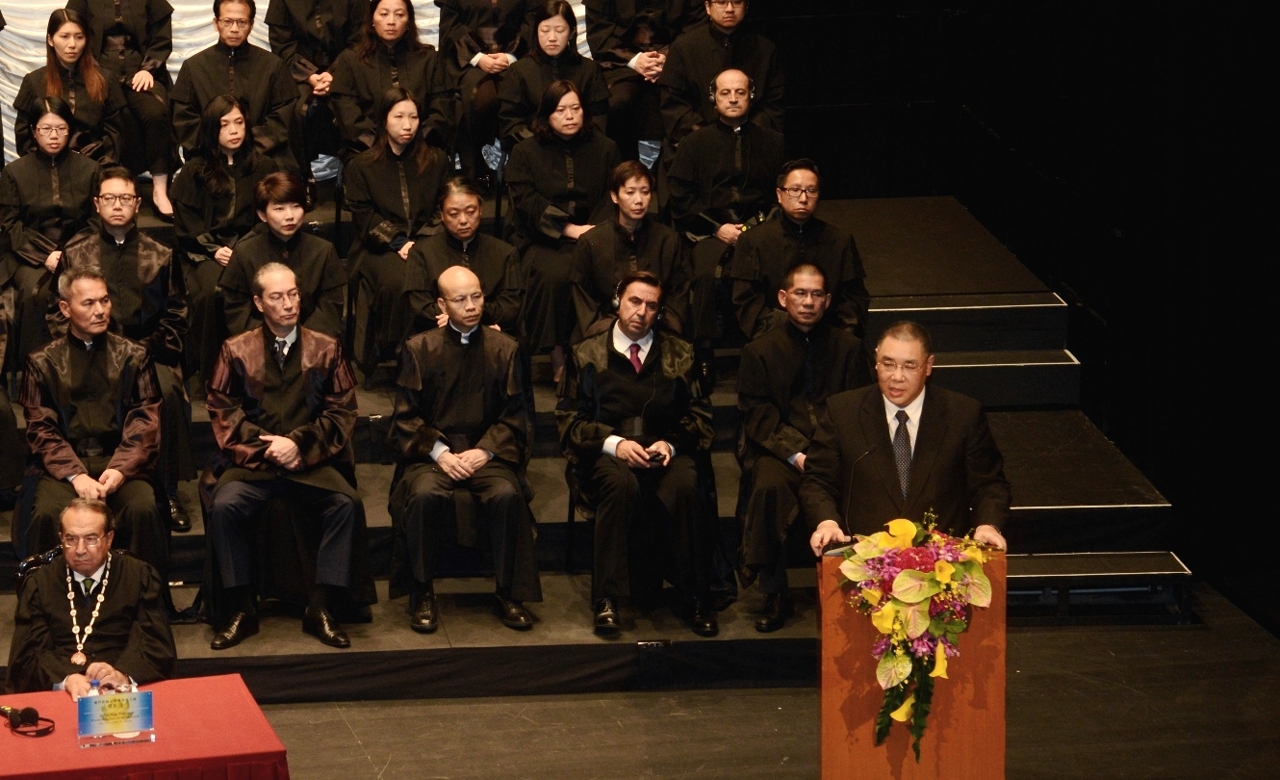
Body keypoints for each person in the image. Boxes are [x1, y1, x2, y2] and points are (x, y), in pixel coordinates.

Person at [204, 263, 364, 650]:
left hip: (309, 460)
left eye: (293, 293)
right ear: (259, 302)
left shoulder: (326, 347)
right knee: (224, 504)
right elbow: (223, 411)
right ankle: (242, 607)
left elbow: (342, 411)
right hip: (253, 462)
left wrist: (300, 445)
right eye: (277, 297)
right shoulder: (235, 349)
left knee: (346, 503)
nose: (289, 303)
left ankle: (321, 606)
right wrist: (268, 448)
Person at [556, 271, 717, 637]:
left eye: (651, 306)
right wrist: (615, 444)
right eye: (634, 301)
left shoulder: (680, 352)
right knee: (618, 484)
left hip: (664, 448)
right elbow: (569, 421)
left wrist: (670, 444)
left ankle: (694, 596)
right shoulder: (586, 353)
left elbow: (701, 417)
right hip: (606, 453)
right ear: (618, 301)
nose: (641, 312)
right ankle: (607, 598)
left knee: (687, 483)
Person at [391, 266, 539, 633]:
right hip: (432, 455)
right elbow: (406, 418)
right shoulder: (419, 348)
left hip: (487, 453)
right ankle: (423, 592)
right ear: (442, 303)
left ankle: (507, 592)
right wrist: (440, 453)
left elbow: (517, 417)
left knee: (507, 495)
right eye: (460, 299)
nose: (472, 306)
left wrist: (485, 451)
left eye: (477, 296)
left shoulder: (506, 348)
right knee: (424, 495)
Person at [53, 167, 194, 532]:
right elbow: (58, 310)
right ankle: (79, 479)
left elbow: (177, 313)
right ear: (97, 204)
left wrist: (141, 353)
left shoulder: (160, 254)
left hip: (147, 351)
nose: (118, 205)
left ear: (138, 203)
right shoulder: (76, 251)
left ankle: (168, 488)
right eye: (110, 198)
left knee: (168, 389)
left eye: (126, 198)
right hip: (87, 350)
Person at [803, 321, 1012, 558]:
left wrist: (988, 524)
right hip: (863, 561)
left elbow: (989, 484)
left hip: (943, 563)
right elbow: (818, 480)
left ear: (928, 366)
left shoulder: (962, 414)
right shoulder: (843, 411)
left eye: (910, 366)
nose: (897, 377)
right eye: (888, 364)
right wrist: (826, 522)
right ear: (876, 361)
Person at [735, 263, 865, 632]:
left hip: (839, 450)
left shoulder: (849, 348)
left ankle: (855, 589)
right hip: (782, 451)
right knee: (769, 486)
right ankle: (775, 592)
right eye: (800, 293)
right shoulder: (759, 350)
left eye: (816, 295)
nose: (808, 302)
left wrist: (828, 455)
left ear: (827, 300)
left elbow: (860, 406)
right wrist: (797, 453)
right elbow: (756, 413)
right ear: (783, 297)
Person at [20, 268, 168, 581]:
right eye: (88, 303)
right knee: (47, 513)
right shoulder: (41, 361)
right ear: (65, 308)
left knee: (142, 508)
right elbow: (40, 428)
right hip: (63, 467)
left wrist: (119, 469)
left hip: (119, 462)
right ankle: (49, 610)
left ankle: (146, 604)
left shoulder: (134, 356)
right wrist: (76, 475)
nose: (100, 310)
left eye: (104, 300)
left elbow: (146, 421)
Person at [506, 80, 621, 382]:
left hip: (596, 233)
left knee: (604, 269)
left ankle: (602, 349)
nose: (570, 116)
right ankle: (558, 353)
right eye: (561, 110)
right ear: (546, 115)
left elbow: (614, 194)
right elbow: (526, 202)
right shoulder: (525, 151)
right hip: (543, 238)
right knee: (556, 275)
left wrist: (594, 231)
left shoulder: (606, 147)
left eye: (576, 109)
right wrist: (569, 229)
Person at [4, 498, 176, 697]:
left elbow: (155, 643)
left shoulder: (138, 576)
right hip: (59, 687)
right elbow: (28, 652)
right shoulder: (39, 583)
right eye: (71, 539)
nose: (80, 549)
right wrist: (66, 678)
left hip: (123, 689)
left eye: (91, 538)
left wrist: (122, 673)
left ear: (109, 539)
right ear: (61, 538)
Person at [667, 67, 785, 348]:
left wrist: (754, 230)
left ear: (751, 96)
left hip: (760, 228)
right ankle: (705, 351)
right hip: (709, 230)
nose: (733, 99)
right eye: (725, 93)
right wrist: (718, 228)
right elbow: (680, 197)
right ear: (714, 98)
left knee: (774, 267)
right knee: (707, 274)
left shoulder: (773, 142)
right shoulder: (693, 143)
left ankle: (766, 345)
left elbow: (779, 195)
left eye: (740, 92)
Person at [171, 95, 280, 387]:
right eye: (224, 124)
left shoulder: (263, 166)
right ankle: (212, 373)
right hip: (203, 252)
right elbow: (185, 223)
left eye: (239, 122)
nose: (234, 130)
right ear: (211, 129)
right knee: (211, 291)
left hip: (252, 248)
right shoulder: (194, 170)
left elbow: (268, 216)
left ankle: (262, 369)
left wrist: (244, 250)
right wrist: (213, 249)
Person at [344, 88, 448, 367]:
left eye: (413, 117)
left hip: (428, 242)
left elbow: (443, 208)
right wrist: (399, 242)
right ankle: (401, 353)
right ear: (383, 120)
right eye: (399, 116)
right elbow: (364, 217)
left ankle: (438, 353)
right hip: (377, 247)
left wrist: (422, 242)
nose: (407, 125)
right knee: (397, 281)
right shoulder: (361, 165)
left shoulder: (436, 160)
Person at [727, 159, 870, 351]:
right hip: (774, 341)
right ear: (779, 194)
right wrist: (785, 333)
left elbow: (853, 300)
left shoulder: (839, 241)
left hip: (829, 341)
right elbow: (746, 302)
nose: (803, 198)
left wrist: (838, 338)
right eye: (794, 190)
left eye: (811, 191)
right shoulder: (754, 241)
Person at [0, 98, 101, 370]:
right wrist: (45, 254)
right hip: (29, 256)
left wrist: (69, 253)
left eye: (61, 128)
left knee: (88, 289)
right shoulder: (14, 172)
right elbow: (10, 226)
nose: (54, 136)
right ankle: (40, 372)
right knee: (40, 292)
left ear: (70, 130)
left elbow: (96, 220)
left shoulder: (90, 169)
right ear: (34, 131)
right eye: (46, 129)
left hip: (80, 251)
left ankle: (89, 367)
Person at [66, 0, 179, 218]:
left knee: (156, 112)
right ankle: (104, 191)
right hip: (98, 74)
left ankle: (160, 190)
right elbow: (73, 31)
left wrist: (149, 69)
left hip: (141, 73)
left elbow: (161, 38)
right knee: (97, 117)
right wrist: (92, 70)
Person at [170, 0, 297, 171]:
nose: (234, 29)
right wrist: (218, 145)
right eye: (227, 21)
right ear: (216, 23)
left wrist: (246, 146)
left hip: (262, 156)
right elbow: (184, 120)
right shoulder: (193, 67)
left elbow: (282, 119)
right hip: (209, 156)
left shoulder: (273, 66)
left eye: (242, 22)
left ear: (251, 25)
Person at [571, 160, 690, 338]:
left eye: (645, 192)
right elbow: (584, 300)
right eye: (630, 192)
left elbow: (678, 293)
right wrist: (615, 328)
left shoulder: (668, 239)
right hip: (605, 330)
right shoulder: (591, 241)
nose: (639, 200)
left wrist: (657, 322)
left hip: (657, 327)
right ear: (614, 196)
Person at [219, 172, 346, 339]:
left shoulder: (323, 250)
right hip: (260, 344)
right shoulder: (245, 252)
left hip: (312, 344)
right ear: (262, 215)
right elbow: (237, 310)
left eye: (296, 206)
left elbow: (330, 309)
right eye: (279, 208)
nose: (290, 216)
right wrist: (272, 341)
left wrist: (300, 341)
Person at [329, 0, 456, 162]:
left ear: (409, 21)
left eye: (399, 14)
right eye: (383, 14)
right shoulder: (350, 60)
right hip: (368, 152)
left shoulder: (430, 59)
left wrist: (413, 142)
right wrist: (384, 146)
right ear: (372, 20)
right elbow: (347, 116)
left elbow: (443, 111)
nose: (391, 21)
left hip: (421, 150)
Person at [585, 0, 703, 162]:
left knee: (684, 104)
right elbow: (599, 34)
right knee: (615, 103)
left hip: (675, 61)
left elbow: (695, 26)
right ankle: (622, 173)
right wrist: (634, 59)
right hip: (620, 65)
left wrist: (669, 60)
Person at [265, 0, 366, 189]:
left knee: (349, 107)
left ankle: (353, 179)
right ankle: (302, 179)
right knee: (296, 110)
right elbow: (282, 44)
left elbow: (359, 40)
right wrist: (310, 75)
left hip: (347, 69)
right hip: (298, 73)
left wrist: (334, 73)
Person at [657, 0, 783, 150]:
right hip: (698, 144)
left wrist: (745, 133)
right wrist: (708, 136)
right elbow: (673, 104)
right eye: (721, 2)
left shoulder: (765, 50)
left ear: (746, 7)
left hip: (752, 143)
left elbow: (774, 104)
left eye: (737, 2)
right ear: (708, 7)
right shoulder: (683, 48)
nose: (729, 9)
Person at [406, 176, 523, 335]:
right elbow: (419, 307)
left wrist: (469, 320)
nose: (463, 220)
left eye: (470, 212)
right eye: (454, 214)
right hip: (437, 333)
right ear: (441, 214)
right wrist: (457, 322)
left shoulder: (505, 253)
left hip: (492, 331)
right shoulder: (421, 252)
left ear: (480, 210)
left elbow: (510, 307)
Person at [13, 9, 128, 166]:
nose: (72, 44)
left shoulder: (106, 79)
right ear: (50, 40)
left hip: (98, 166)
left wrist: (99, 161)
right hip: (48, 168)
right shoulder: (33, 81)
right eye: (64, 36)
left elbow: (116, 133)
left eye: (79, 37)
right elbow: (24, 136)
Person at [435, 0, 530, 183]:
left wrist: (510, 55)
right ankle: (477, 167)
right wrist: (477, 57)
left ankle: (519, 170)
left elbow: (532, 20)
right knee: (479, 97)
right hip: (468, 61)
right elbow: (451, 25)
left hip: (515, 58)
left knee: (518, 93)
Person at [497, 1, 609, 147]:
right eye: (545, 30)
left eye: (560, 30)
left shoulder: (590, 70)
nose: (552, 38)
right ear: (536, 31)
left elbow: (598, 122)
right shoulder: (518, 71)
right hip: (535, 152)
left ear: (571, 33)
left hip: (580, 150)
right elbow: (510, 124)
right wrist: (542, 147)